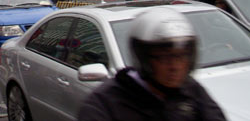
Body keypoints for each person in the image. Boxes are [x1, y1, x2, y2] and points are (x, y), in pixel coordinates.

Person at [77, 7, 226, 121]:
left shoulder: (191, 91)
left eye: (181, 56)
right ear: (144, 57)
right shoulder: (104, 104)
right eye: (164, 58)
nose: (175, 67)